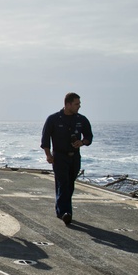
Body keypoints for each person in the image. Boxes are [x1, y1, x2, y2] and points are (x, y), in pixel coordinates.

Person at [40, 92, 93, 226]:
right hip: (59, 156)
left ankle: (61, 209)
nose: (79, 106)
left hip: (75, 157)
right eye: (76, 104)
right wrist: (48, 155)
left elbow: (89, 137)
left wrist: (82, 142)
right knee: (63, 183)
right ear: (68, 104)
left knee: (69, 184)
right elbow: (45, 139)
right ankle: (65, 212)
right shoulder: (53, 119)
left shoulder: (81, 119)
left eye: (79, 104)